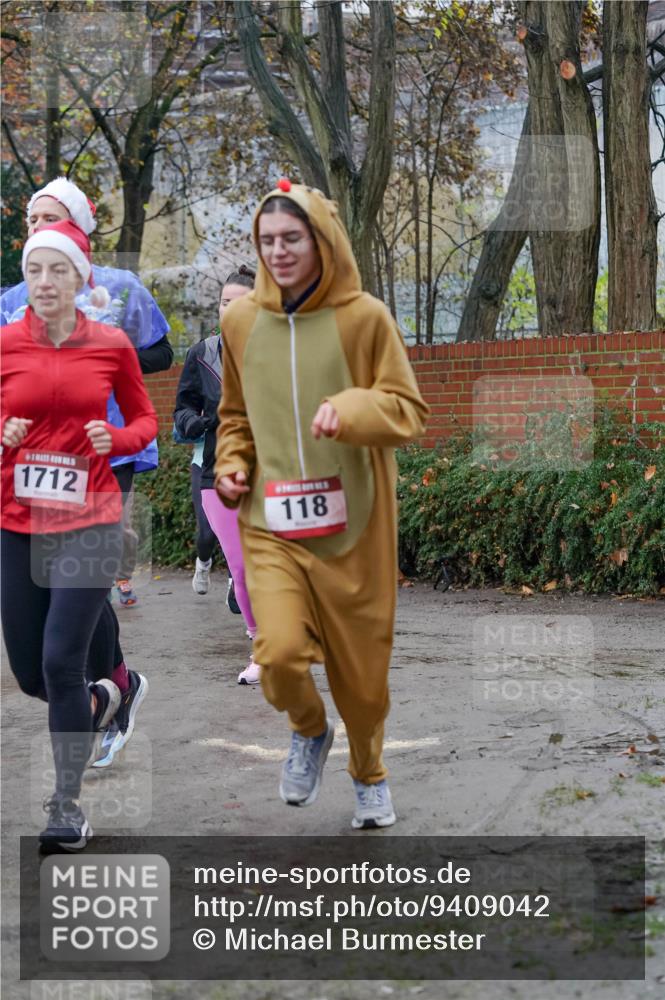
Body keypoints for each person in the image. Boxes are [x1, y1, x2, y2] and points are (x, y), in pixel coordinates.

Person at [214, 180, 429, 828]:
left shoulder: (365, 317)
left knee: (362, 684)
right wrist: (231, 464)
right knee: (276, 656)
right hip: (271, 524)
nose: (277, 252)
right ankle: (309, 730)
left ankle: (369, 774)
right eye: (266, 241)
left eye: (291, 239)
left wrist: (352, 407)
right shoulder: (238, 322)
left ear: (320, 241)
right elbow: (233, 418)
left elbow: (408, 410)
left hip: (354, 529)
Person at [0, 219, 158, 850]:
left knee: (61, 660)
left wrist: (116, 440)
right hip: (17, 525)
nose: (44, 281)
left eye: (57, 269)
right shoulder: (5, 344)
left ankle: (66, 808)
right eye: (34, 269)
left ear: (80, 276)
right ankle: (100, 699)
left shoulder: (111, 344)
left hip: (90, 521)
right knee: (33, 675)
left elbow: (145, 417)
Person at [0, 176, 174, 607]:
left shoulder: (122, 288)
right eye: (33, 219)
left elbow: (163, 354)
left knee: (87, 567)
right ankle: (107, 668)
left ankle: (102, 656)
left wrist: (108, 361)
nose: (40, 226)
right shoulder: (12, 299)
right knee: (57, 575)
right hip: (37, 453)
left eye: (51, 218)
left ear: (77, 228)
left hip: (107, 443)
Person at [174, 265, 260, 684]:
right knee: (242, 567)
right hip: (216, 472)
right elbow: (182, 408)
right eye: (225, 302)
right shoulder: (202, 353)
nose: (231, 310)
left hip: (270, 470)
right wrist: (195, 422)